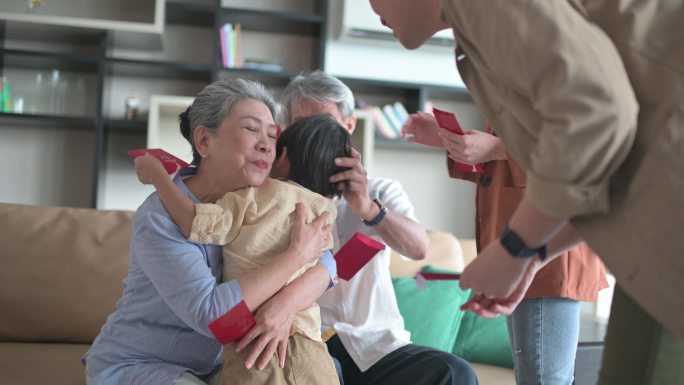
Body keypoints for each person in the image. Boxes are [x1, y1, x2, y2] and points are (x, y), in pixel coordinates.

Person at [368, 1, 684, 384]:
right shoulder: (479, 38)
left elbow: (596, 123)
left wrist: (515, 248)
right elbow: (604, 161)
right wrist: (531, 256)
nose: (369, 8)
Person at [83, 79, 336, 385]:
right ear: (204, 141)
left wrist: (287, 303)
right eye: (251, 129)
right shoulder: (160, 217)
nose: (266, 144)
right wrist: (296, 256)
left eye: (272, 134)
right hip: (144, 364)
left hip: (220, 364)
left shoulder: (266, 201)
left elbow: (328, 262)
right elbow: (212, 316)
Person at [280, 70, 478, 385]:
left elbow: (418, 248)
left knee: (455, 373)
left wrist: (368, 208)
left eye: (326, 124)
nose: (316, 134)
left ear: (349, 126)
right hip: (308, 341)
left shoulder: (382, 190)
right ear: (287, 133)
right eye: (305, 126)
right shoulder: (275, 199)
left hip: (378, 346)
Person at [133, 115, 353, 385]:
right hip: (311, 343)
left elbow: (195, 222)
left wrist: (158, 176)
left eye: (270, 138)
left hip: (252, 343)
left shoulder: (255, 197)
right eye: (251, 130)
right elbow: (329, 265)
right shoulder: (326, 213)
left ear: (281, 157)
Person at [403, 115, 608, 384]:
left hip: (548, 252)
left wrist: (498, 148)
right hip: (524, 250)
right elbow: (504, 169)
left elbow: (579, 154)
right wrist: (459, 142)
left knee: (543, 379)